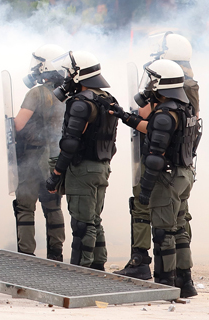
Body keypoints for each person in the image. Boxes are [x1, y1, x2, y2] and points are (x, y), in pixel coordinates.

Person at [115, 33, 199, 281]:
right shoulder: (190, 84)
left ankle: (142, 261)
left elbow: (146, 117)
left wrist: (129, 117)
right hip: (181, 163)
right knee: (179, 220)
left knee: (145, 209)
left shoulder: (173, 87)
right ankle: (184, 277)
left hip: (161, 161)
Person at [44, 51, 118, 269]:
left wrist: (56, 174)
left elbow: (70, 144)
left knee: (81, 223)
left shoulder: (80, 102)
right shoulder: (108, 99)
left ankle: (80, 269)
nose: (66, 78)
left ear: (79, 75)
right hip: (102, 167)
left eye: (69, 73)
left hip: (83, 169)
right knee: (94, 219)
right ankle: (98, 265)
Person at [12, 44, 67, 261]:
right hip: (56, 156)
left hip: (33, 157)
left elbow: (18, 124)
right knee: (53, 206)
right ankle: (56, 253)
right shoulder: (67, 94)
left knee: (25, 205)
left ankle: (26, 254)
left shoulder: (36, 93)